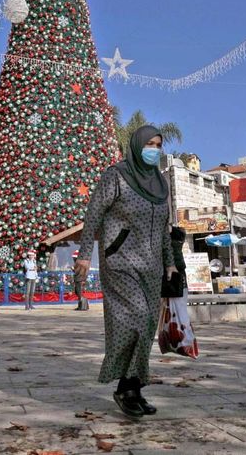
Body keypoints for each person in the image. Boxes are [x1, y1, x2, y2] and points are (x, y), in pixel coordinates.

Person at [74, 125, 176, 418]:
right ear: (137, 145)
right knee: (138, 317)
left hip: (152, 265)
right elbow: (94, 213)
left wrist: (169, 262)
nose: (154, 149)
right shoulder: (116, 175)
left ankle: (133, 387)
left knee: (146, 327)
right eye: (150, 143)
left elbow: (164, 229)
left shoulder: (160, 184)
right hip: (119, 261)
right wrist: (84, 255)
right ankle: (124, 387)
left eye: (158, 144)